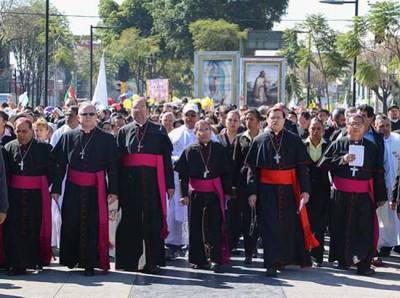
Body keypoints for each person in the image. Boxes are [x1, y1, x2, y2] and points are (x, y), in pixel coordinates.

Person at [245, 106, 317, 277]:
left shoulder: (293, 140)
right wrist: (252, 192)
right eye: (272, 117)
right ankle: (271, 262)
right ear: (267, 120)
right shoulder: (259, 140)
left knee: (288, 226)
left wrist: (305, 191)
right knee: (269, 226)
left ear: (285, 120)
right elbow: (252, 170)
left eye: (279, 117)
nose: (275, 120)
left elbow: (302, 168)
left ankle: (284, 259)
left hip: (289, 190)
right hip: (266, 191)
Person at [51, 103, 119, 276]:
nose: (88, 117)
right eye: (84, 114)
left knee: (93, 225)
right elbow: (59, 165)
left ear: (97, 116)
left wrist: (113, 190)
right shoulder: (68, 136)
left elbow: (113, 167)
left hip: (95, 189)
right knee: (71, 222)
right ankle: (71, 259)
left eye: (91, 114)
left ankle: (90, 263)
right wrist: (57, 188)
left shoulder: (107, 139)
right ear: (78, 117)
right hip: (73, 188)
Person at [318, 113, 387, 275]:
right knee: (339, 227)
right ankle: (342, 260)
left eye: (359, 124)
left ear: (364, 127)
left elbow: (378, 172)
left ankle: (362, 262)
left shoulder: (372, 147)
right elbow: (322, 165)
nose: (355, 127)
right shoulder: (338, 143)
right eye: (352, 123)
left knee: (364, 229)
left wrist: (381, 196)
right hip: (341, 195)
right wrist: (342, 160)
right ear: (346, 126)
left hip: (363, 196)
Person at [115, 97, 174, 274]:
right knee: (128, 221)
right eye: (134, 108)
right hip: (129, 185)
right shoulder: (124, 131)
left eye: (141, 108)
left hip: (152, 184)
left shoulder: (159, 130)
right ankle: (128, 261)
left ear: (147, 110)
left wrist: (169, 185)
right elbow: (118, 162)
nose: (138, 111)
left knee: (152, 223)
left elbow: (166, 161)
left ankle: (152, 262)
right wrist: (115, 189)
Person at [175, 120, 232, 273]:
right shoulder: (189, 150)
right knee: (195, 227)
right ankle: (198, 259)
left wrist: (227, 192)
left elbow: (226, 172)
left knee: (214, 226)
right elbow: (183, 174)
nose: (205, 132)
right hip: (196, 193)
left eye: (207, 129)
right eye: (201, 130)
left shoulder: (219, 149)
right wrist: (184, 195)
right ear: (196, 133)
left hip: (214, 193)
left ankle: (215, 259)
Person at [2, 117, 53, 275]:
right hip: (14, 196)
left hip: (35, 196)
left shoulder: (44, 148)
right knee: (14, 229)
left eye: (25, 131)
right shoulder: (8, 147)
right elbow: (5, 174)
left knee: (34, 227)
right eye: (18, 131)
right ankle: (15, 263)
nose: (21, 134)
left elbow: (51, 172)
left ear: (32, 131)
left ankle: (34, 261)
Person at [165, 104, 199, 259]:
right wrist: (180, 160)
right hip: (177, 179)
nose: (190, 118)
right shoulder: (175, 134)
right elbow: (167, 155)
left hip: (198, 181)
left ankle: (195, 244)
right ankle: (173, 243)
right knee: (174, 212)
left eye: (193, 115)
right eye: (187, 114)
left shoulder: (205, 132)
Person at [49, 105, 80, 252]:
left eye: (71, 115)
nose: (67, 117)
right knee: (59, 213)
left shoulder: (84, 131)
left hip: (78, 177)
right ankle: (60, 243)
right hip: (62, 176)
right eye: (66, 114)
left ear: (77, 116)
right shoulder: (59, 133)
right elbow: (54, 156)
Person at [233, 108, 262, 264]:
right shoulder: (240, 138)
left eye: (251, 119)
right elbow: (235, 163)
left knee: (260, 216)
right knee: (247, 217)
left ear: (258, 121)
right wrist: (233, 185)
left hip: (263, 182)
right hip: (244, 182)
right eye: (246, 119)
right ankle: (248, 251)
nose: (248, 122)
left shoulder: (265, 137)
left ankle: (257, 244)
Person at [303, 118, 330, 266]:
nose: (315, 131)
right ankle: (303, 254)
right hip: (305, 190)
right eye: (313, 128)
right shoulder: (301, 145)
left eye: (319, 128)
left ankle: (317, 256)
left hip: (322, 190)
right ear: (308, 129)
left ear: (323, 130)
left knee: (319, 225)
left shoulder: (329, 146)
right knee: (304, 223)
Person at [374, 115, 400, 256]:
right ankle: (385, 245)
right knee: (384, 216)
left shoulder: (397, 139)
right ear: (376, 127)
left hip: (397, 185)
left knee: (397, 214)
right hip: (382, 185)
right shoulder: (375, 142)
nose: (385, 129)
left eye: (387, 125)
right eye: (381, 126)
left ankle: (398, 243)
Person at [218, 110, 242, 254]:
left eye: (235, 120)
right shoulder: (218, 139)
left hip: (238, 180)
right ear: (225, 121)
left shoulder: (242, 139)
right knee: (222, 214)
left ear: (239, 123)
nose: (232, 123)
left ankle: (232, 243)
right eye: (230, 120)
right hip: (221, 180)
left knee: (235, 214)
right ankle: (221, 242)